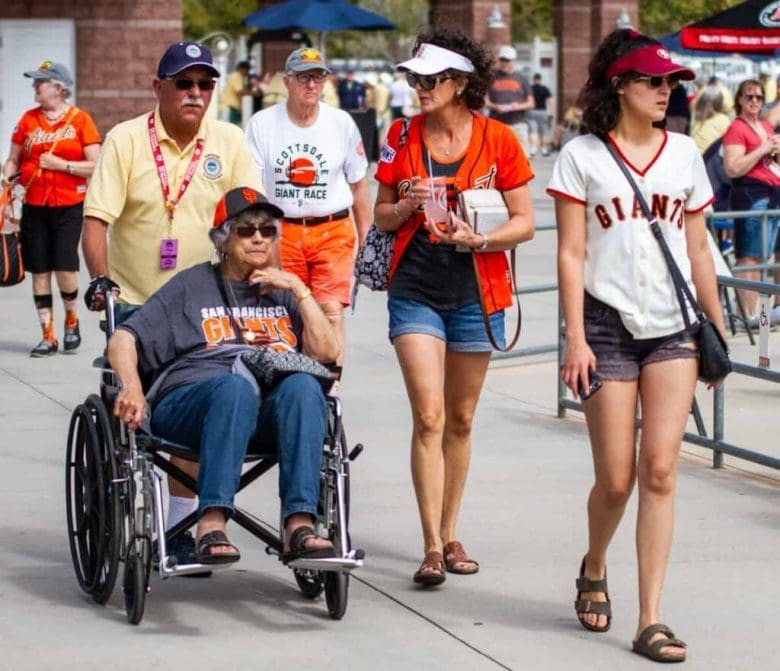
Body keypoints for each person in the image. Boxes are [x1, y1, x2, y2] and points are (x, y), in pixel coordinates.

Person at [548, 29, 725, 664]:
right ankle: (595, 564)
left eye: (670, 82)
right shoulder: (582, 156)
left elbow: (698, 246)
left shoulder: (683, 154)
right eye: (653, 81)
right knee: (616, 479)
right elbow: (571, 253)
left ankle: (651, 618)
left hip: (674, 328)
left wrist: (716, 325)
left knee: (660, 471)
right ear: (619, 85)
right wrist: (573, 337)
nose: (665, 91)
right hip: (606, 325)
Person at [82, 40, 262, 565]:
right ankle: (168, 521)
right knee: (151, 415)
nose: (196, 93)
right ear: (158, 87)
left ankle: (184, 527)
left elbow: (250, 220)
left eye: (206, 84)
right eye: (184, 83)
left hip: (212, 306)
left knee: (205, 395)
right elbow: (97, 221)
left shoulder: (228, 141)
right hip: (140, 305)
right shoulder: (126, 140)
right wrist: (101, 281)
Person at [374, 29, 535, 586]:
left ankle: (451, 529)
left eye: (430, 79)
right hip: (415, 288)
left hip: (477, 290)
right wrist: (408, 203)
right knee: (429, 415)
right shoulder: (400, 135)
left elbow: (525, 223)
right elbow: (380, 215)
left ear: (462, 83)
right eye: (414, 78)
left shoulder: (500, 140)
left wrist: (479, 240)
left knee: (461, 420)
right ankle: (431, 546)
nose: (418, 87)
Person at [107, 187, 340, 564]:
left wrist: (298, 289)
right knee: (233, 389)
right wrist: (132, 388)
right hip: (191, 407)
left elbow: (327, 353)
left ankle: (299, 523)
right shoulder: (191, 286)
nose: (260, 238)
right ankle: (211, 521)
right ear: (223, 239)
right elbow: (123, 337)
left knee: (303, 385)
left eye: (268, 231)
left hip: (263, 414)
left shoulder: (282, 291)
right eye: (247, 231)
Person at [245, 47, 372, 366]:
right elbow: (252, 189)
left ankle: (330, 389)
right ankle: (293, 382)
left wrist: (366, 238)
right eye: (304, 77)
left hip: (332, 230)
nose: (312, 85)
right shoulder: (262, 124)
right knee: (286, 309)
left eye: (318, 77)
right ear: (287, 82)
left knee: (330, 312)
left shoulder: (341, 123)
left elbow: (359, 185)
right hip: (282, 231)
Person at [1, 61, 100, 357]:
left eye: (39, 82)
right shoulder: (28, 120)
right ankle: (48, 335)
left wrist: (63, 165)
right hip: (34, 205)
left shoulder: (80, 120)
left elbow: (95, 164)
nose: (34, 87)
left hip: (69, 205)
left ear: (58, 87)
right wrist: (7, 177)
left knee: (65, 266)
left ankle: (72, 322)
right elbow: (13, 159)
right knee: (39, 269)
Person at [722, 78, 780, 329]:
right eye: (749, 96)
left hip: (773, 193)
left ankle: (773, 313)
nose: (754, 101)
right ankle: (750, 316)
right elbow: (733, 168)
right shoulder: (737, 128)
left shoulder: (765, 126)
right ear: (740, 100)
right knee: (751, 258)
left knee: (774, 256)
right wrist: (762, 149)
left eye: (758, 96)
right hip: (752, 195)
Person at [485, 45, 534, 156]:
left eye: (508, 60)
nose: (505, 63)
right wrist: (495, 106)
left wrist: (517, 106)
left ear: (513, 61)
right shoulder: (490, 78)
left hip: (518, 124)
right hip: (496, 123)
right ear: (499, 60)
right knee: (495, 157)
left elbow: (531, 103)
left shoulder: (522, 78)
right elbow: (483, 101)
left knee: (522, 159)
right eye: (503, 60)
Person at [689, 89, 729, 154]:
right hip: (709, 159)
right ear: (720, 103)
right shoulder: (723, 119)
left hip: (694, 155)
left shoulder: (696, 117)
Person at [528, 73, 554, 157]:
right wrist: (552, 112)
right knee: (543, 132)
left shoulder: (530, 89)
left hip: (531, 111)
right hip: (542, 112)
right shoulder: (544, 89)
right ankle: (543, 150)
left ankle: (533, 149)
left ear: (533, 79)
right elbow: (550, 101)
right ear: (540, 79)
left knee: (533, 131)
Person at [219, 60, 252, 125]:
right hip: (228, 107)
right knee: (228, 130)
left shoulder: (237, 76)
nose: (247, 73)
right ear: (242, 69)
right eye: (247, 70)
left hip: (231, 108)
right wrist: (253, 93)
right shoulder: (237, 76)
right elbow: (239, 91)